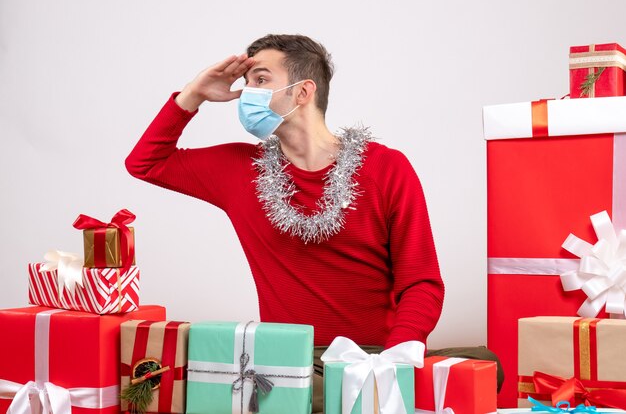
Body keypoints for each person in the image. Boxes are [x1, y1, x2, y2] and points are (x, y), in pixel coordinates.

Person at [126, 34, 501, 413]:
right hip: (292, 364)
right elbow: (145, 163)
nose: (245, 94)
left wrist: (391, 362)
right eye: (246, 84)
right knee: (276, 392)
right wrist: (193, 94)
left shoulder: (386, 168)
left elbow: (422, 283)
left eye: (259, 80)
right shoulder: (240, 171)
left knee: (486, 370)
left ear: (303, 92)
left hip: (380, 354)